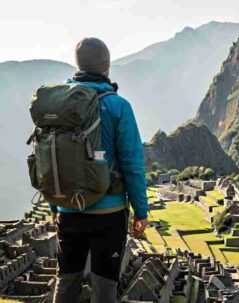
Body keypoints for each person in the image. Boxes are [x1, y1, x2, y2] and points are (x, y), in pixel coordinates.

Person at [52, 37, 148, 303]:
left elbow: (53, 158)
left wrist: (54, 206)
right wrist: (141, 211)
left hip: (68, 210)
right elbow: (132, 164)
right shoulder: (118, 106)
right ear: (107, 68)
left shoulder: (59, 104)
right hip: (108, 212)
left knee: (66, 282)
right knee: (105, 287)